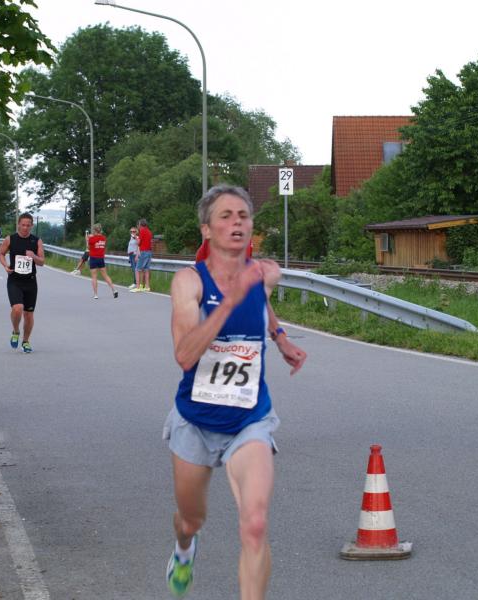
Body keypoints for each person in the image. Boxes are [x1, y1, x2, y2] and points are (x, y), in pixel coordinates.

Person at [165, 185, 307, 599]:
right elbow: (185, 356)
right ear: (206, 229)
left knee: (255, 523)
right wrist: (229, 301)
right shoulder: (189, 282)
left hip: (249, 418)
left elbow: (261, 302)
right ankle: (185, 548)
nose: (237, 223)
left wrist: (279, 337)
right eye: (225, 216)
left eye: (243, 215)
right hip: (195, 420)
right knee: (190, 520)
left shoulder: (263, 275)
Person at [0, 213, 45, 353]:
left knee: (29, 314)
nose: (25, 228)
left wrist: (34, 256)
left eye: (28, 225)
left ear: (32, 226)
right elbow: (1, 253)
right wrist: (5, 265)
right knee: (17, 308)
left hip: (30, 282)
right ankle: (15, 331)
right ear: (18, 224)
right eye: (23, 225)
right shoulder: (10, 239)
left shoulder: (36, 241)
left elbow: (42, 262)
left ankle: (25, 341)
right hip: (15, 280)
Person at [87, 223, 118, 300]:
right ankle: (114, 290)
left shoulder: (91, 239)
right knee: (105, 275)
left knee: (94, 277)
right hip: (101, 258)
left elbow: (88, 247)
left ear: (94, 230)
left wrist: (87, 239)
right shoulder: (104, 238)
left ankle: (96, 294)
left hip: (93, 258)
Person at [131, 218, 152, 293]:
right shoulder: (149, 231)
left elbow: (139, 242)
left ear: (140, 224)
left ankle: (137, 287)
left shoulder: (142, 231)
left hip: (143, 252)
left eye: (139, 224)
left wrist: (135, 237)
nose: (138, 226)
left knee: (137, 269)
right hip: (149, 252)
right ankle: (147, 287)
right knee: (146, 269)